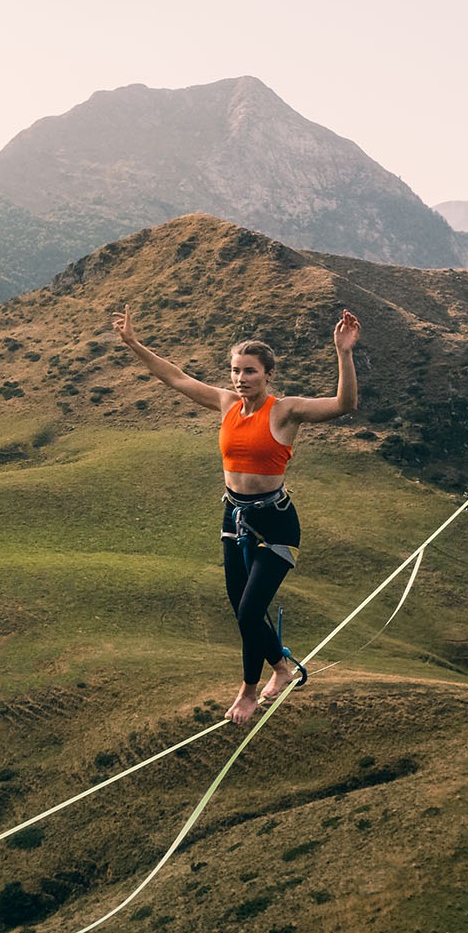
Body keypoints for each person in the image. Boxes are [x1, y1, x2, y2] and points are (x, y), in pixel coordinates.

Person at [111, 303, 360, 725]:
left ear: (268, 375)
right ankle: (279, 668)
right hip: (235, 520)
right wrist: (133, 342)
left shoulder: (285, 411)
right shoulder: (226, 403)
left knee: (249, 612)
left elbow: (344, 404)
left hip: (276, 522)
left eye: (250, 371)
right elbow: (174, 376)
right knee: (241, 609)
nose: (241, 379)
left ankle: (248, 691)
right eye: (235, 370)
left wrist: (344, 352)